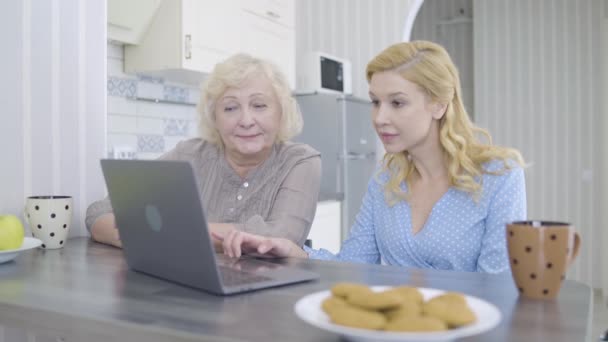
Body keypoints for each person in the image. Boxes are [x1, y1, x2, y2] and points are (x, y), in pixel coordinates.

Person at [214, 41, 527, 274]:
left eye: (397, 103)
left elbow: (497, 287)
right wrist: (295, 252)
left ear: (439, 105)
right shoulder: (386, 180)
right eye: (376, 102)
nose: (379, 117)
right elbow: (354, 262)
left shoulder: (499, 176)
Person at [86, 54, 321, 249]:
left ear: (282, 112)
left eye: (259, 105)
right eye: (230, 108)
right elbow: (100, 212)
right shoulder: (190, 154)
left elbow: (279, 238)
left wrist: (160, 231)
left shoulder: (300, 161)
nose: (246, 120)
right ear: (214, 117)